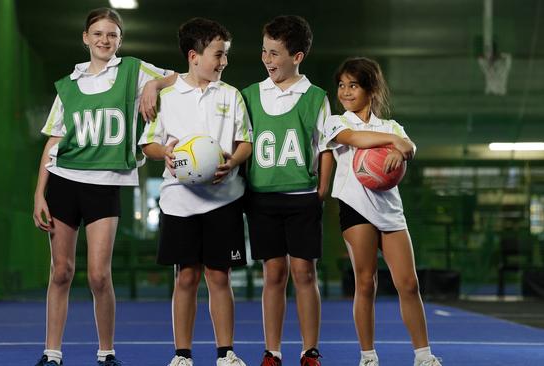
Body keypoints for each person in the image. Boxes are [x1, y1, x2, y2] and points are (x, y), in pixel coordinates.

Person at [32, 7, 176, 366]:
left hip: (105, 184)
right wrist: (39, 194)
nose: (104, 40)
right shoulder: (68, 85)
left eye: (112, 34)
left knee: (99, 275)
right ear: (85, 38)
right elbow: (53, 142)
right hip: (64, 181)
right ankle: (52, 354)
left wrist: (154, 85)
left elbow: (179, 77)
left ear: (120, 40)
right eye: (97, 33)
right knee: (61, 271)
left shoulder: (133, 70)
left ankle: (106, 352)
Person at [139, 17, 252, 366]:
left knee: (219, 276)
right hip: (179, 202)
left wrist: (231, 161)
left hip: (225, 199)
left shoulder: (231, 95)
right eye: (219, 54)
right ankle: (182, 354)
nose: (224, 62)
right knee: (185, 276)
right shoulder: (168, 97)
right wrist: (167, 153)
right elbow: (149, 145)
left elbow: (245, 141)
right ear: (194, 55)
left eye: (226, 55)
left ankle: (225, 352)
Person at [322, 57, 442, 366]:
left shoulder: (391, 125)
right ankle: (368, 356)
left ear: (371, 89)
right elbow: (355, 140)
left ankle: (423, 355)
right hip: (355, 208)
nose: (345, 92)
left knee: (409, 283)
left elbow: (411, 148)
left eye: (353, 85)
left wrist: (401, 152)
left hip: (390, 211)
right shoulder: (337, 122)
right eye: (341, 85)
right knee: (365, 282)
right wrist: (394, 144)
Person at [241, 15, 330, 366]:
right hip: (262, 198)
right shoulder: (248, 95)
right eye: (264, 51)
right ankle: (272, 351)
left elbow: (325, 147)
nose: (267, 60)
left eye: (275, 53)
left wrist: (321, 189)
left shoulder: (316, 97)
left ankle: (310, 350)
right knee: (273, 274)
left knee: (304, 272)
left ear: (297, 57)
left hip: (301, 197)